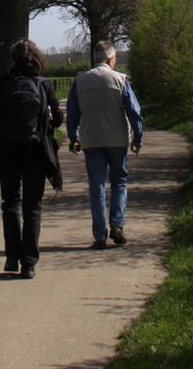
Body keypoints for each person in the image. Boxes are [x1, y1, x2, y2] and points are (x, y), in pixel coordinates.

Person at [0, 39, 63, 278]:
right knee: (32, 207)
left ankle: (11, 258)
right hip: (36, 152)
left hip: (8, 151)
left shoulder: (5, 82)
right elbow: (58, 119)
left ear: (13, 59)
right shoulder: (43, 84)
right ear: (36, 57)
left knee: (10, 204)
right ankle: (29, 262)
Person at [66, 41, 143, 249]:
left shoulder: (81, 81)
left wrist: (73, 137)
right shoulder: (120, 80)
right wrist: (138, 137)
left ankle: (100, 235)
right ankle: (117, 225)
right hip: (117, 139)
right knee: (119, 182)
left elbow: (72, 113)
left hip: (91, 140)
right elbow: (134, 111)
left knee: (97, 186)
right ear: (111, 59)